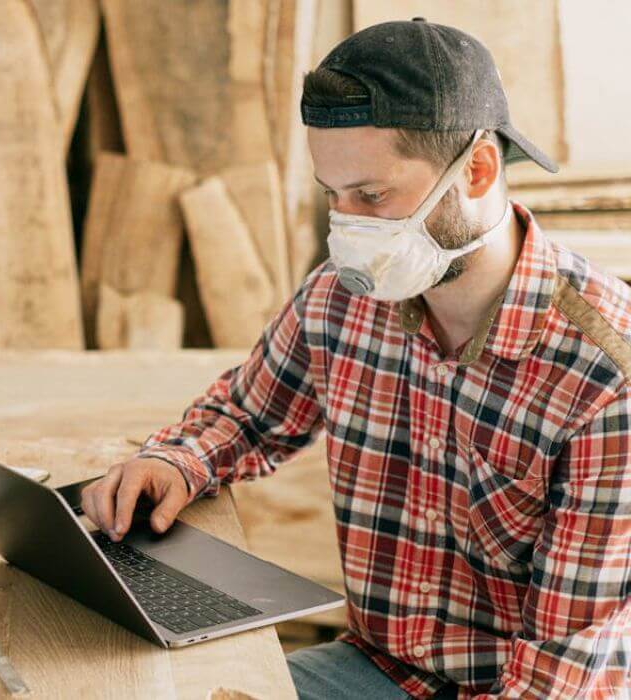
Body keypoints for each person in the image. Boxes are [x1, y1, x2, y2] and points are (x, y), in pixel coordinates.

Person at [81, 18, 631, 699]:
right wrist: (175, 461)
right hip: (377, 667)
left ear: (479, 170)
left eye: (372, 196)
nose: (349, 229)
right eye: (332, 196)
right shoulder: (345, 299)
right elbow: (248, 418)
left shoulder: (605, 380)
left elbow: (558, 677)